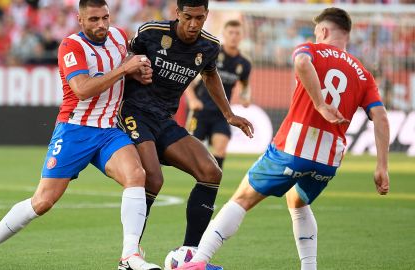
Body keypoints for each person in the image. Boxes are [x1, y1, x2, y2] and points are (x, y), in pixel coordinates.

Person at [177, 7, 390, 270]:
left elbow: (301, 63)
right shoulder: (363, 74)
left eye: (316, 32)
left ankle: (197, 262)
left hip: (295, 145)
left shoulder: (311, 50)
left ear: (323, 31)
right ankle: (309, 267)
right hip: (329, 157)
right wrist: (382, 166)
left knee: (241, 198)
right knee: (297, 201)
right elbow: (380, 116)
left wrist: (320, 104)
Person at [0, 1, 161, 270]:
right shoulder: (71, 46)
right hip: (75, 130)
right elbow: (83, 89)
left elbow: (126, 67)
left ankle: (130, 256)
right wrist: (125, 69)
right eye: (94, 19)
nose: (101, 24)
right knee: (42, 202)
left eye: (105, 17)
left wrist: (139, 71)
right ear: (79, 19)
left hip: (109, 130)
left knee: (137, 175)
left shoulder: (120, 37)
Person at [117, 0, 254, 252]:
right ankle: (130, 254)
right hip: (133, 112)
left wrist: (229, 114)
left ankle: (189, 253)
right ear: (177, 13)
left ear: (207, 16)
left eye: (199, 18)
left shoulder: (209, 46)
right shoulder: (151, 32)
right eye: (188, 17)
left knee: (211, 172)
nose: (193, 24)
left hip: (165, 120)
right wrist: (132, 70)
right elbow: (122, 59)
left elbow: (210, 74)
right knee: (153, 179)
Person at [185, 19, 252, 170]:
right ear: (224, 34)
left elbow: (245, 84)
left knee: (221, 147)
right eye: (231, 33)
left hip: (222, 112)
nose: (234, 36)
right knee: (190, 151)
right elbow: (189, 79)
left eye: (237, 33)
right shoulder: (212, 53)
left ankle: (211, 182)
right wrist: (193, 99)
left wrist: (245, 97)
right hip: (200, 110)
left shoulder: (244, 63)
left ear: (242, 36)